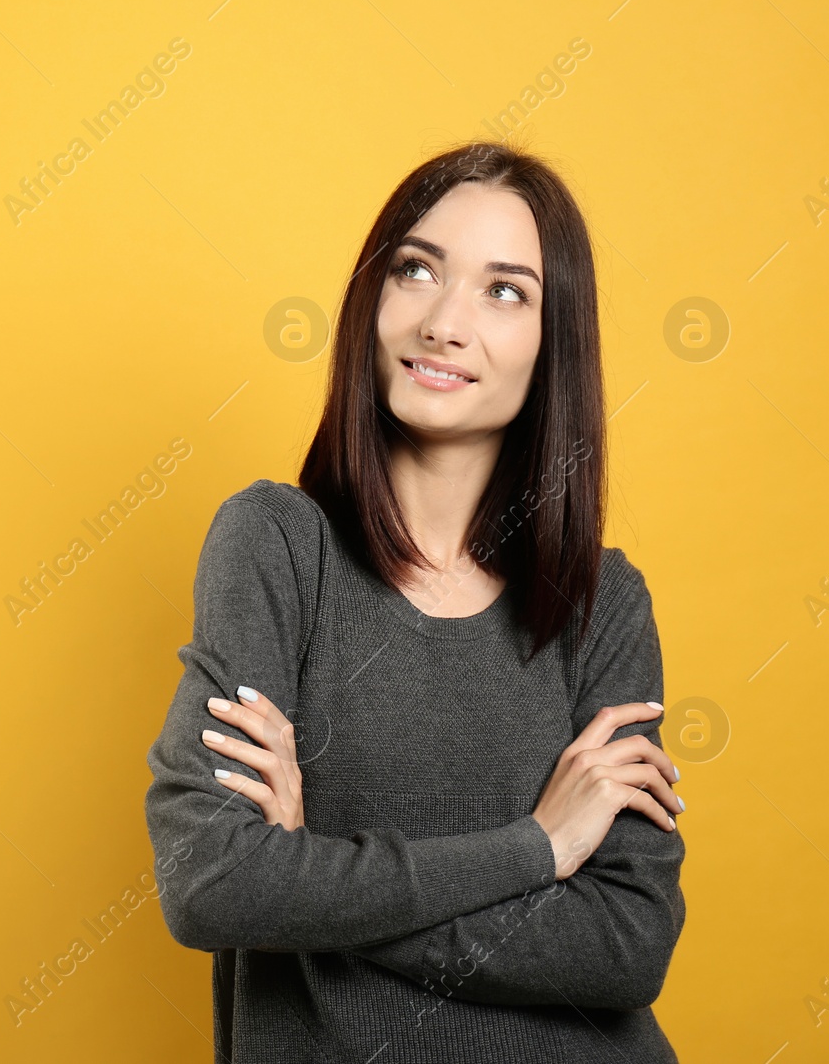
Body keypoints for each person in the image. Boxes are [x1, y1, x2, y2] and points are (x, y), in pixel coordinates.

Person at [143, 141, 686, 1062]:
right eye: (418, 269)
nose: (444, 320)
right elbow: (212, 879)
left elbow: (628, 947)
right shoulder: (277, 546)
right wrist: (535, 850)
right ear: (374, 298)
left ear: (556, 344)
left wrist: (313, 871)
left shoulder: (602, 602)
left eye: (504, 290)